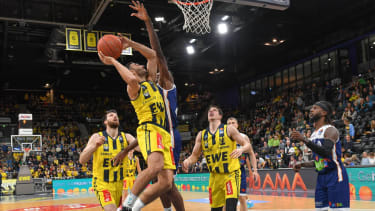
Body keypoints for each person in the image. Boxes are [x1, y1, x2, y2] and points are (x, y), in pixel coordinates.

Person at [98, 29, 175, 211]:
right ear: (131, 69)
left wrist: (130, 44)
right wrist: (114, 61)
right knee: (155, 167)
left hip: (163, 132)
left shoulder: (151, 81)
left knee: (166, 183)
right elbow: (131, 80)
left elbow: (153, 56)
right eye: (134, 64)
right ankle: (126, 206)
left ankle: (141, 207)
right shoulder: (134, 88)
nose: (139, 64)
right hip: (149, 129)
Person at [128, 1, 185, 210]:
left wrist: (148, 22)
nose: (158, 72)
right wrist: (125, 150)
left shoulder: (167, 85)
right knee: (161, 182)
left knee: (168, 184)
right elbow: (146, 123)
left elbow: (157, 53)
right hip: (153, 132)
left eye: (161, 71)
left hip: (169, 133)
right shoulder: (147, 87)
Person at [182, 105, 251, 211]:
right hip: (214, 177)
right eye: (209, 110)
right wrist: (187, 161)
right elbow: (194, 156)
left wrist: (241, 150)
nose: (211, 111)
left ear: (220, 116)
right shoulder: (201, 135)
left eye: (214, 110)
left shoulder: (229, 129)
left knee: (230, 207)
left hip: (230, 175)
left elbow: (247, 145)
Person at [291, 101, 350, 210]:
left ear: (323, 112)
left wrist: (304, 139)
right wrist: (302, 164)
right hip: (321, 178)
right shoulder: (313, 134)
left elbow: (326, 152)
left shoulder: (330, 130)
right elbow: (319, 161)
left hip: (335, 176)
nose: (311, 110)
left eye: (315, 108)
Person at [79, 110, 136, 211]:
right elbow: (82, 160)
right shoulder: (97, 136)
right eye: (111, 115)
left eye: (116, 115)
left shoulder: (126, 137)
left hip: (119, 184)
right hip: (102, 184)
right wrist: (94, 146)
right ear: (105, 122)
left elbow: (143, 148)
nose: (115, 117)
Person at [227, 117, 258, 211]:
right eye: (229, 123)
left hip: (240, 170)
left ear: (237, 125)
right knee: (227, 200)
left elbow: (251, 154)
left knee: (242, 198)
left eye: (233, 122)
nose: (231, 124)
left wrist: (255, 170)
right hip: (227, 171)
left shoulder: (243, 137)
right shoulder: (223, 138)